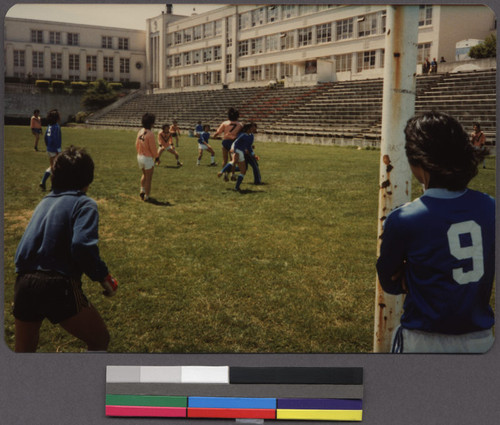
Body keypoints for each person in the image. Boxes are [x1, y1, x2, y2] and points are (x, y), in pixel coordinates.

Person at [376, 111, 494, 353]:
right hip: (481, 341)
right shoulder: (491, 207)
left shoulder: (403, 219)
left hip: (422, 340)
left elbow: (388, 280)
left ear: (417, 161)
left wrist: (413, 278)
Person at [13, 146, 118, 352]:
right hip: (56, 283)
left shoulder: (44, 202)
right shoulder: (84, 204)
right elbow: (81, 246)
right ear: (88, 178)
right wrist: (104, 277)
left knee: (24, 353)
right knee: (100, 340)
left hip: (23, 282)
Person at [218, 122, 259, 191]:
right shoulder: (242, 135)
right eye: (252, 127)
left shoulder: (251, 136)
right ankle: (222, 172)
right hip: (237, 150)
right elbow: (236, 142)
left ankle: (236, 187)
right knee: (234, 161)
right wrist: (234, 150)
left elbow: (249, 147)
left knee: (243, 171)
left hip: (241, 152)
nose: (254, 129)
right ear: (249, 128)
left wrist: (253, 155)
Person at [213, 107, 243, 181]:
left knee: (225, 159)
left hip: (225, 141)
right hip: (234, 142)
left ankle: (225, 174)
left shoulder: (225, 123)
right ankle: (232, 175)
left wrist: (214, 136)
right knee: (232, 160)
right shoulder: (240, 125)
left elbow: (218, 132)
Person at [136, 112, 157, 201]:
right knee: (149, 178)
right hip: (147, 158)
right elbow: (153, 147)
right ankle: (147, 196)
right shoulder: (150, 134)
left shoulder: (140, 131)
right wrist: (156, 157)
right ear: (151, 123)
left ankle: (142, 189)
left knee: (144, 174)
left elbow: (136, 144)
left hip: (139, 156)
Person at [39, 109, 62, 191]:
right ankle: (52, 186)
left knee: (52, 166)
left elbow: (45, 137)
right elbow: (56, 139)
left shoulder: (49, 126)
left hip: (49, 148)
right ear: (57, 118)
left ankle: (43, 182)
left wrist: (48, 146)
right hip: (55, 149)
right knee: (55, 168)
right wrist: (57, 151)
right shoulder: (56, 127)